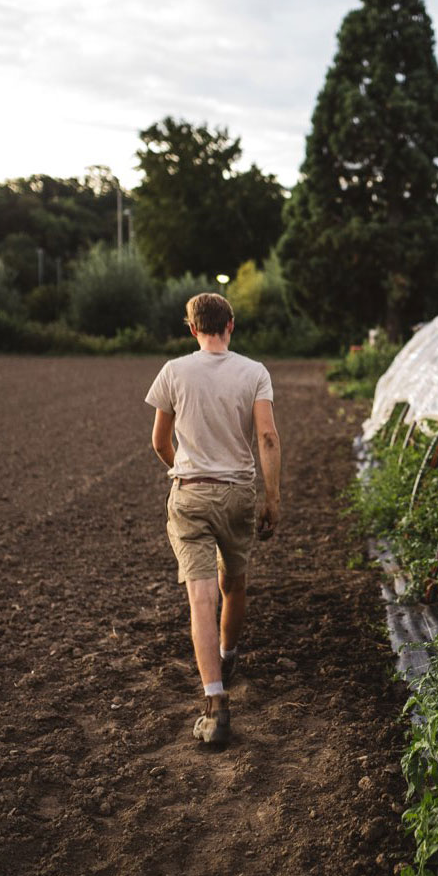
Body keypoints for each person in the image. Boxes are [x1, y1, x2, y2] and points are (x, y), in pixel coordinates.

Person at [145, 293, 281, 744]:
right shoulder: (254, 372)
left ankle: (215, 704)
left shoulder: (174, 371)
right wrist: (272, 498)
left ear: (191, 329)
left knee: (201, 598)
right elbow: (266, 435)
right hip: (238, 494)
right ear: (231, 325)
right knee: (233, 584)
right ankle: (228, 652)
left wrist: (179, 467)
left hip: (190, 494)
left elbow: (160, 441)